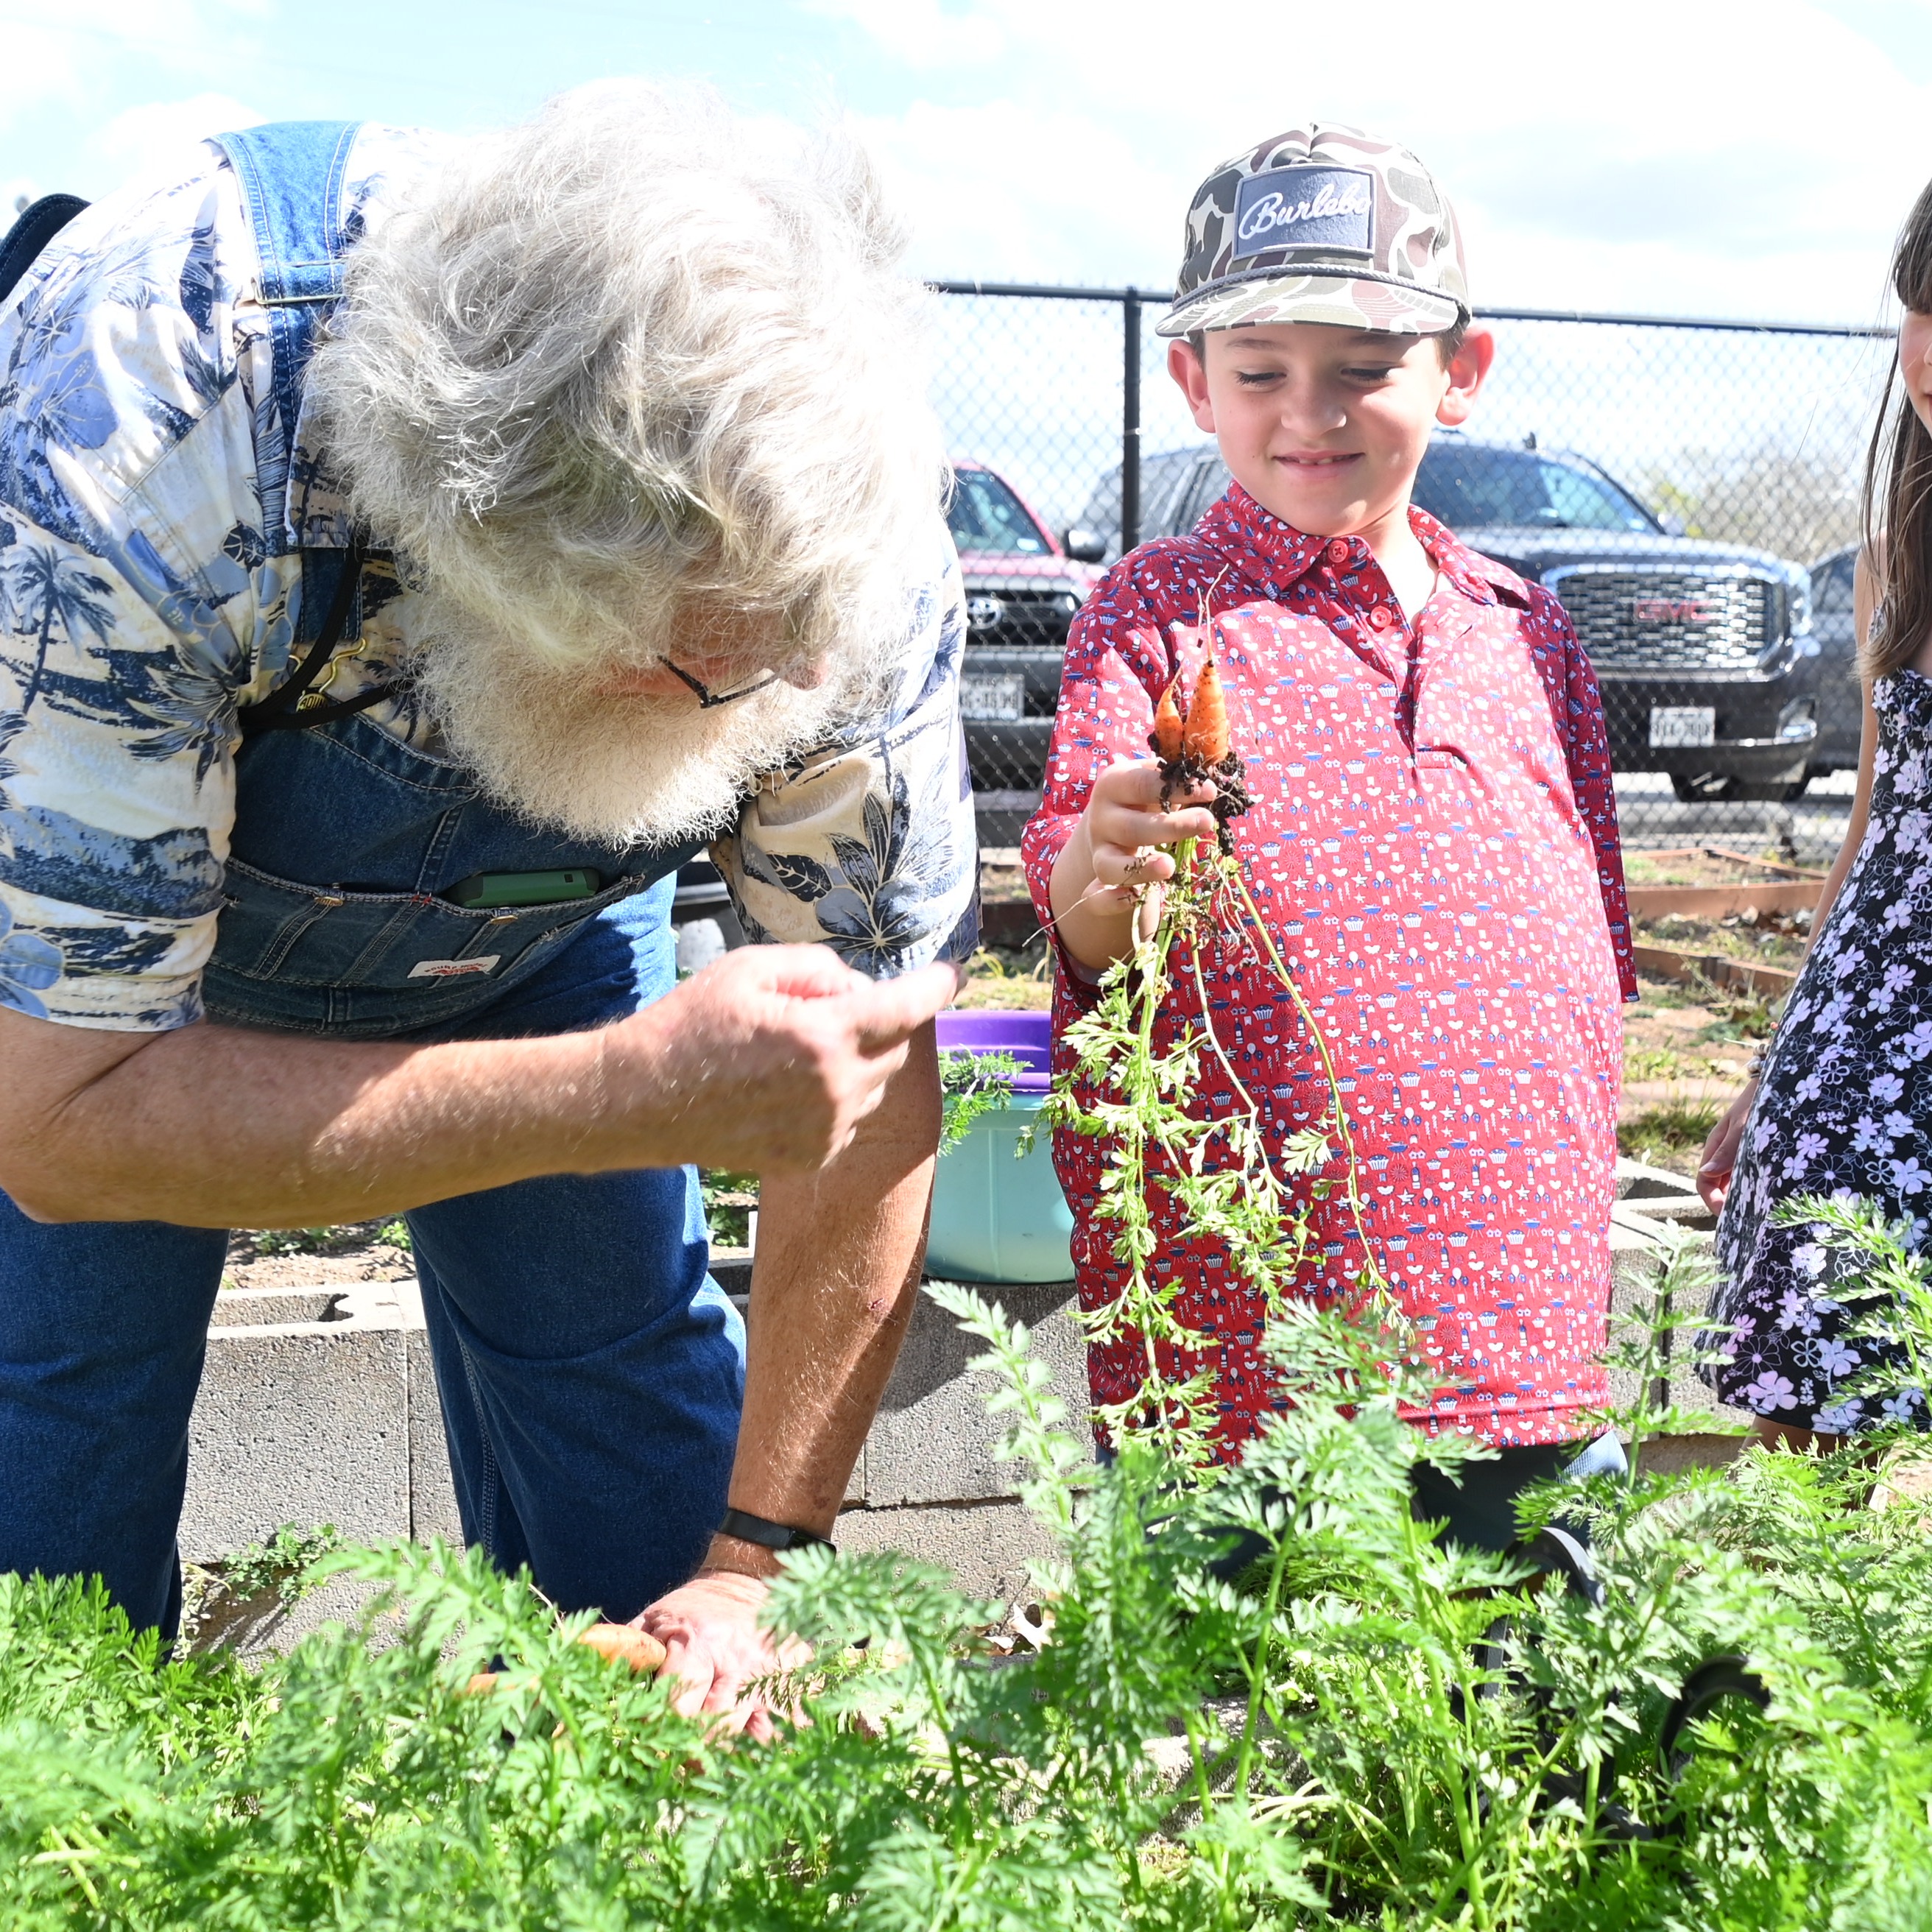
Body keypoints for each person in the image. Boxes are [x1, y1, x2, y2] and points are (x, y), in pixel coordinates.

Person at [0, 85, 976, 1718]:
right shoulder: (152, 411)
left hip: (528, 946)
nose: (798, 692)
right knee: (56, 1475)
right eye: (713, 666)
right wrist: (618, 1094)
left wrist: (753, 1559)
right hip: (96, 1014)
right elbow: (59, 1119)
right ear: (512, 596)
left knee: (641, 1476)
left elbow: (873, 1085)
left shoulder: (835, 527)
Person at [1022, 124, 1638, 1546]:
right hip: (1252, 1338)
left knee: (1533, 1734)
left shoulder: (1525, 631)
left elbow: (1595, 939)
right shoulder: (1154, 616)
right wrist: (1104, 877)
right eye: (1260, 374)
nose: (1313, 411)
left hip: (1517, 1316)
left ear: (1460, 377)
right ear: (1193, 385)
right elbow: (1087, 930)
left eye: (1365, 368)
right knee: (1261, 1736)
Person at [1694, 176, 1932, 1448]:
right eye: (1916, 310)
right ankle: (1819, 1643)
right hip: (1879, 1021)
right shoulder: (1900, 556)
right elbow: (1874, 823)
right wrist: (1778, 1067)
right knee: (1816, 1368)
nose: (1930, 353)